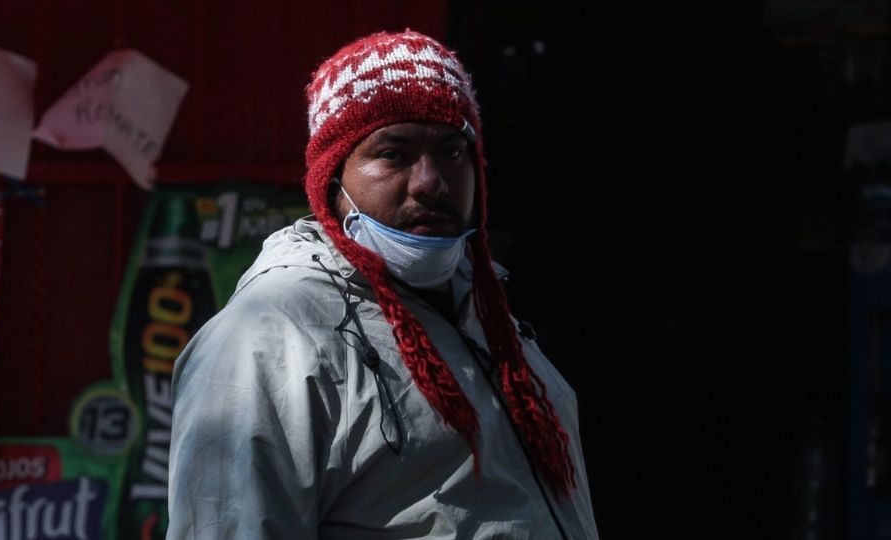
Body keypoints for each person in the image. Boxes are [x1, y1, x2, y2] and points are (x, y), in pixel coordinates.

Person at [167, 30, 599, 539]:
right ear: (333, 181)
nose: (430, 181)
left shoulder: (486, 314)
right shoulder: (270, 336)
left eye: (451, 152)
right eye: (393, 153)